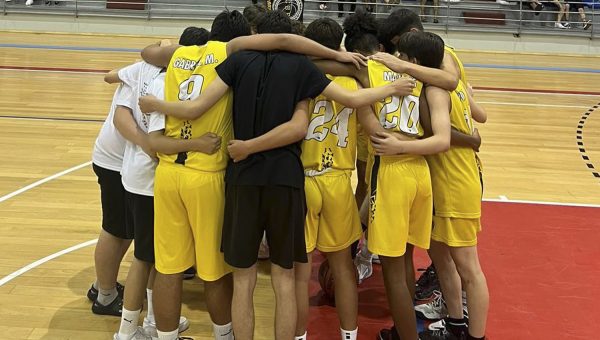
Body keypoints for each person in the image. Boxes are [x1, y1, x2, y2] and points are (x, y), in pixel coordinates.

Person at [139, 10, 415, 340]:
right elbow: (345, 105)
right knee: (291, 278)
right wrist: (391, 88)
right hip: (293, 179)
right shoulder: (304, 69)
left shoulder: (235, 63)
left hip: (240, 177)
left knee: (243, 280)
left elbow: (196, 105)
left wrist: (157, 104)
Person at [376, 31, 489, 340]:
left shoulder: (438, 89)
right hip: (443, 180)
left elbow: (441, 140)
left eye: (401, 56)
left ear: (412, 61)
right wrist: (471, 136)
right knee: (441, 259)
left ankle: (476, 336)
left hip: (456, 181)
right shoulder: (447, 78)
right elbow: (482, 115)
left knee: (469, 267)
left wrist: (400, 147)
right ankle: (454, 323)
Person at [88, 84, 134, 317]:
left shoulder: (139, 68)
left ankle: (101, 285)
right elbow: (121, 120)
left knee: (125, 230)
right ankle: (105, 296)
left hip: (116, 160)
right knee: (115, 230)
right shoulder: (146, 74)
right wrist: (151, 145)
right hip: (115, 163)